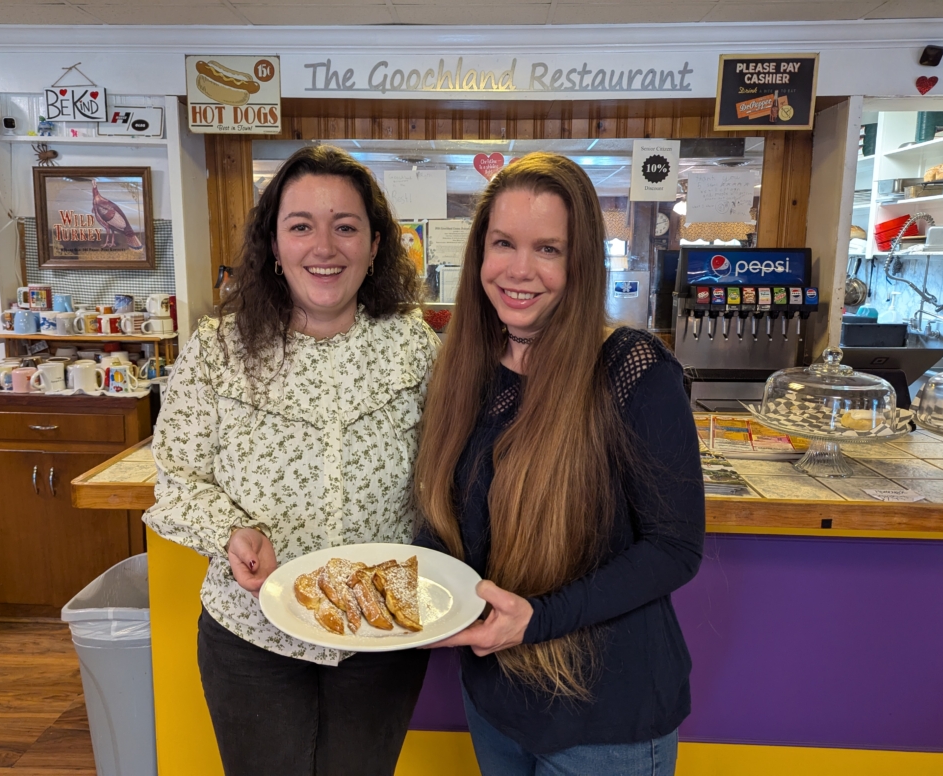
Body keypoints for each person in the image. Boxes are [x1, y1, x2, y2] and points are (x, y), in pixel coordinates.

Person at [144, 145, 440, 776]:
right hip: (253, 633)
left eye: (346, 226)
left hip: (380, 627)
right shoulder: (219, 348)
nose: (323, 246)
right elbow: (176, 477)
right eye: (301, 225)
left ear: (376, 243)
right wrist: (230, 533)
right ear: (273, 246)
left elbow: (454, 468)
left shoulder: (416, 346)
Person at [414, 153, 705, 776]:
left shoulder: (633, 370)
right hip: (494, 700)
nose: (520, 271)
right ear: (479, 255)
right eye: (503, 244)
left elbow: (675, 548)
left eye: (549, 249)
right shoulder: (466, 365)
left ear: (581, 263)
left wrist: (538, 619)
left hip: (607, 720)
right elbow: (451, 514)